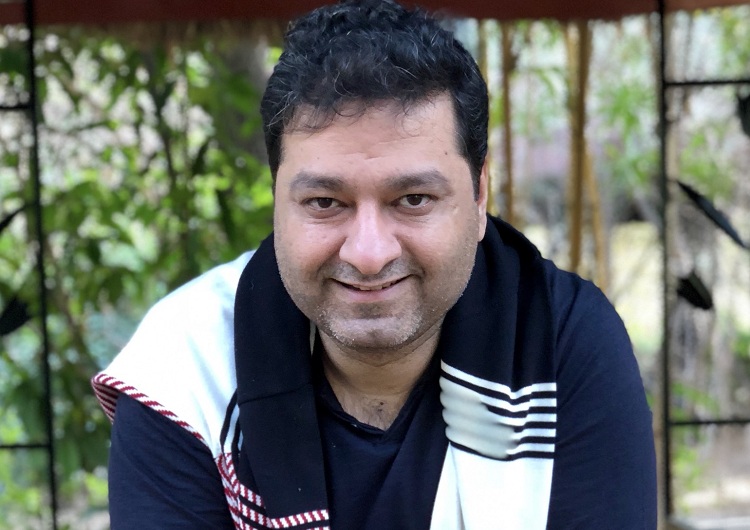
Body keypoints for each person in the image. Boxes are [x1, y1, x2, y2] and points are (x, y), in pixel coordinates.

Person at [92, 1, 657, 528]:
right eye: (324, 203)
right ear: (277, 199)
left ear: (480, 194)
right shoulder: (188, 366)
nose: (368, 253)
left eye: (413, 199)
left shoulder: (559, 341)